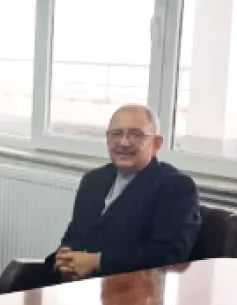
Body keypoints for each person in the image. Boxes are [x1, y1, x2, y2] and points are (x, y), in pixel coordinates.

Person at [45, 104, 200, 283]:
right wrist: (63, 259)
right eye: (116, 134)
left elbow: (169, 255)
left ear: (156, 144)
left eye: (136, 134)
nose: (124, 142)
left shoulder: (175, 187)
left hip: (130, 292)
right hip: (72, 286)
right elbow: (73, 236)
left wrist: (97, 262)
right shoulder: (93, 180)